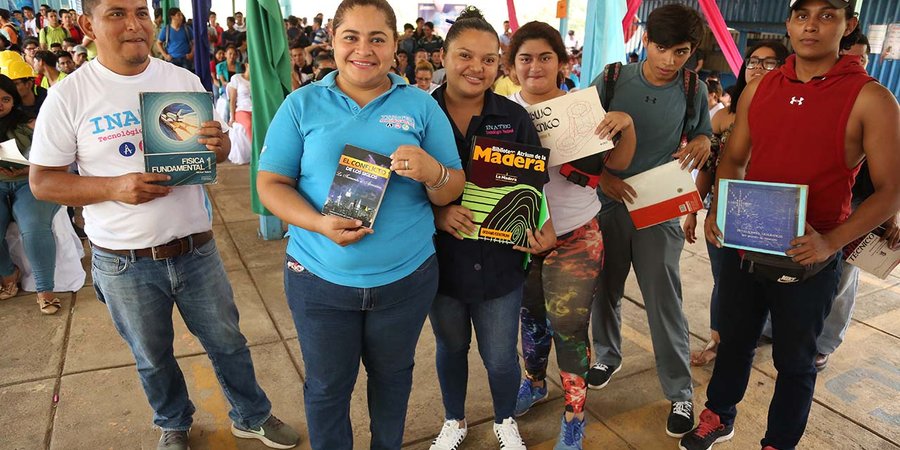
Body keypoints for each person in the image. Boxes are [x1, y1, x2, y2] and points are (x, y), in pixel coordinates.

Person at [27, 0, 302, 447]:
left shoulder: (181, 80)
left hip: (196, 249)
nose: (134, 24)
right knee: (152, 357)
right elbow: (42, 182)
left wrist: (217, 145)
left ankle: (251, 414)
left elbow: (209, 155)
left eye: (141, 11)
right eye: (116, 13)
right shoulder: (69, 94)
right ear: (86, 25)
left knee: (228, 341)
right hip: (123, 261)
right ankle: (172, 424)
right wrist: (115, 188)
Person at [680, 0, 900, 449]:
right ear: (789, 23)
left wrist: (831, 242)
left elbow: (892, 190)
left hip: (810, 257)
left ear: (849, 24)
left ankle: (778, 441)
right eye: (802, 15)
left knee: (795, 360)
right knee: (734, 340)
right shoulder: (760, 90)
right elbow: (735, 160)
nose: (812, 26)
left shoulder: (871, 97)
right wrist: (722, 207)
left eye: (827, 15)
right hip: (746, 246)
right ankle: (719, 415)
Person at [256, 0, 465, 448]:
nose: (363, 50)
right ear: (332, 42)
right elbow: (271, 184)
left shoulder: (421, 107)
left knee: (393, 380)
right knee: (328, 388)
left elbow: (452, 188)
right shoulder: (301, 105)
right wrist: (315, 222)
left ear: (396, 47)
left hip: (405, 281)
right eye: (351, 37)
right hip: (319, 280)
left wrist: (433, 172)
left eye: (377, 38)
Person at [425, 10, 555, 450]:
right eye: (464, 55)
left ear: (498, 65)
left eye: (487, 59)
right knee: (450, 347)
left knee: (500, 357)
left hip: (500, 265)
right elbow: (402, 188)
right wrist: (439, 216)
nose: (475, 68)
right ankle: (454, 421)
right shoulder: (421, 113)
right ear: (444, 56)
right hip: (440, 264)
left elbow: (532, 188)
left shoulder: (514, 117)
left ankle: (504, 420)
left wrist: (543, 229)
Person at [506, 21, 636, 450]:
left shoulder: (583, 108)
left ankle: (574, 415)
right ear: (512, 66)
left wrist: (626, 125)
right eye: (525, 58)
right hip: (520, 238)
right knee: (529, 319)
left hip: (577, 235)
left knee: (569, 325)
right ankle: (533, 382)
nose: (535, 66)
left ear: (562, 63)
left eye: (546, 57)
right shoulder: (502, 113)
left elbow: (616, 163)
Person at [588, 3, 711, 439]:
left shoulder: (694, 89)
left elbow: (704, 132)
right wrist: (602, 177)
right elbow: (579, 139)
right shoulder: (613, 79)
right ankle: (606, 352)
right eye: (661, 48)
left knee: (664, 298)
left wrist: (701, 140)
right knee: (605, 285)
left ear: (691, 51)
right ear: (645, 40)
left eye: (680, 52)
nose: (668, 61)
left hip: (659, 205)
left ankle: (679, 390)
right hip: (608, 200)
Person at [683, 41, 789, 367]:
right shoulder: (724, 117)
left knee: (769, 282)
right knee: (726, 281)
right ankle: (718, 340)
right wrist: (693, 211)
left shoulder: (793, 113)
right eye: (753, 61)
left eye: (769, 63)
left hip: (774, 211)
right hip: (724, 211)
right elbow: (707, 169)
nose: (758, 68)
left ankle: (760, 333)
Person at [0, 74, 61, 314]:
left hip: (31, 181)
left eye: (5, 99)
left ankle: (45, 289)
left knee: (34, 224)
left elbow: (58, 158)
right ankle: (7, 273)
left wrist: (26, 169)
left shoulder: (31, 123)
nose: (0, 105)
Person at [227, 59, 251, 141]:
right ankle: (257, 150)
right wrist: (232, 118)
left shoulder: (258, 81)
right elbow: (232, 100)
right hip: (242, 110)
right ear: (246, 65)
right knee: (249, 125)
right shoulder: (236, 78)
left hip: (255, 111)